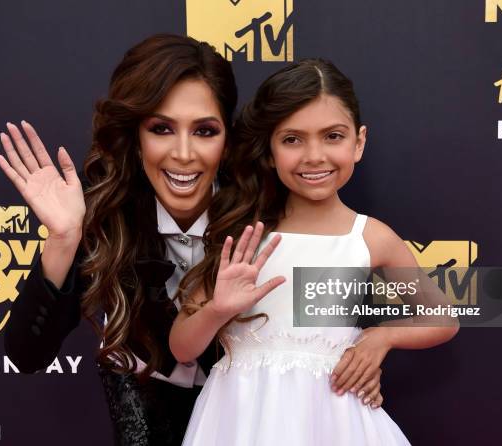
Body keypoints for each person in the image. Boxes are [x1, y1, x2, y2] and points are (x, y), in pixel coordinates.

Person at [0, 35, 383, 445]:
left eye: (204, 130)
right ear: (137, 136)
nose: (184, 153)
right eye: (162, 128)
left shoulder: (267, 212)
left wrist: (371, 344)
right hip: (146, 421)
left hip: (251, 422)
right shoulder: (105, 216)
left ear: (227, 139)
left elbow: (328, 312)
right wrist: (63, 238)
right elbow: (27, 354)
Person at [170, 59, 460, 445]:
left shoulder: (370, 237)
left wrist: (382, 338)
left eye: (333, 137)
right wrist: (217, 310)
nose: (314, 156)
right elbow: (182, 348)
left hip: (335, 420)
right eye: (292, 139)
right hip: (239, 421)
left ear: (358, 142)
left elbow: (442, 317)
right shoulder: (243, 234)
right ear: (270, 151)